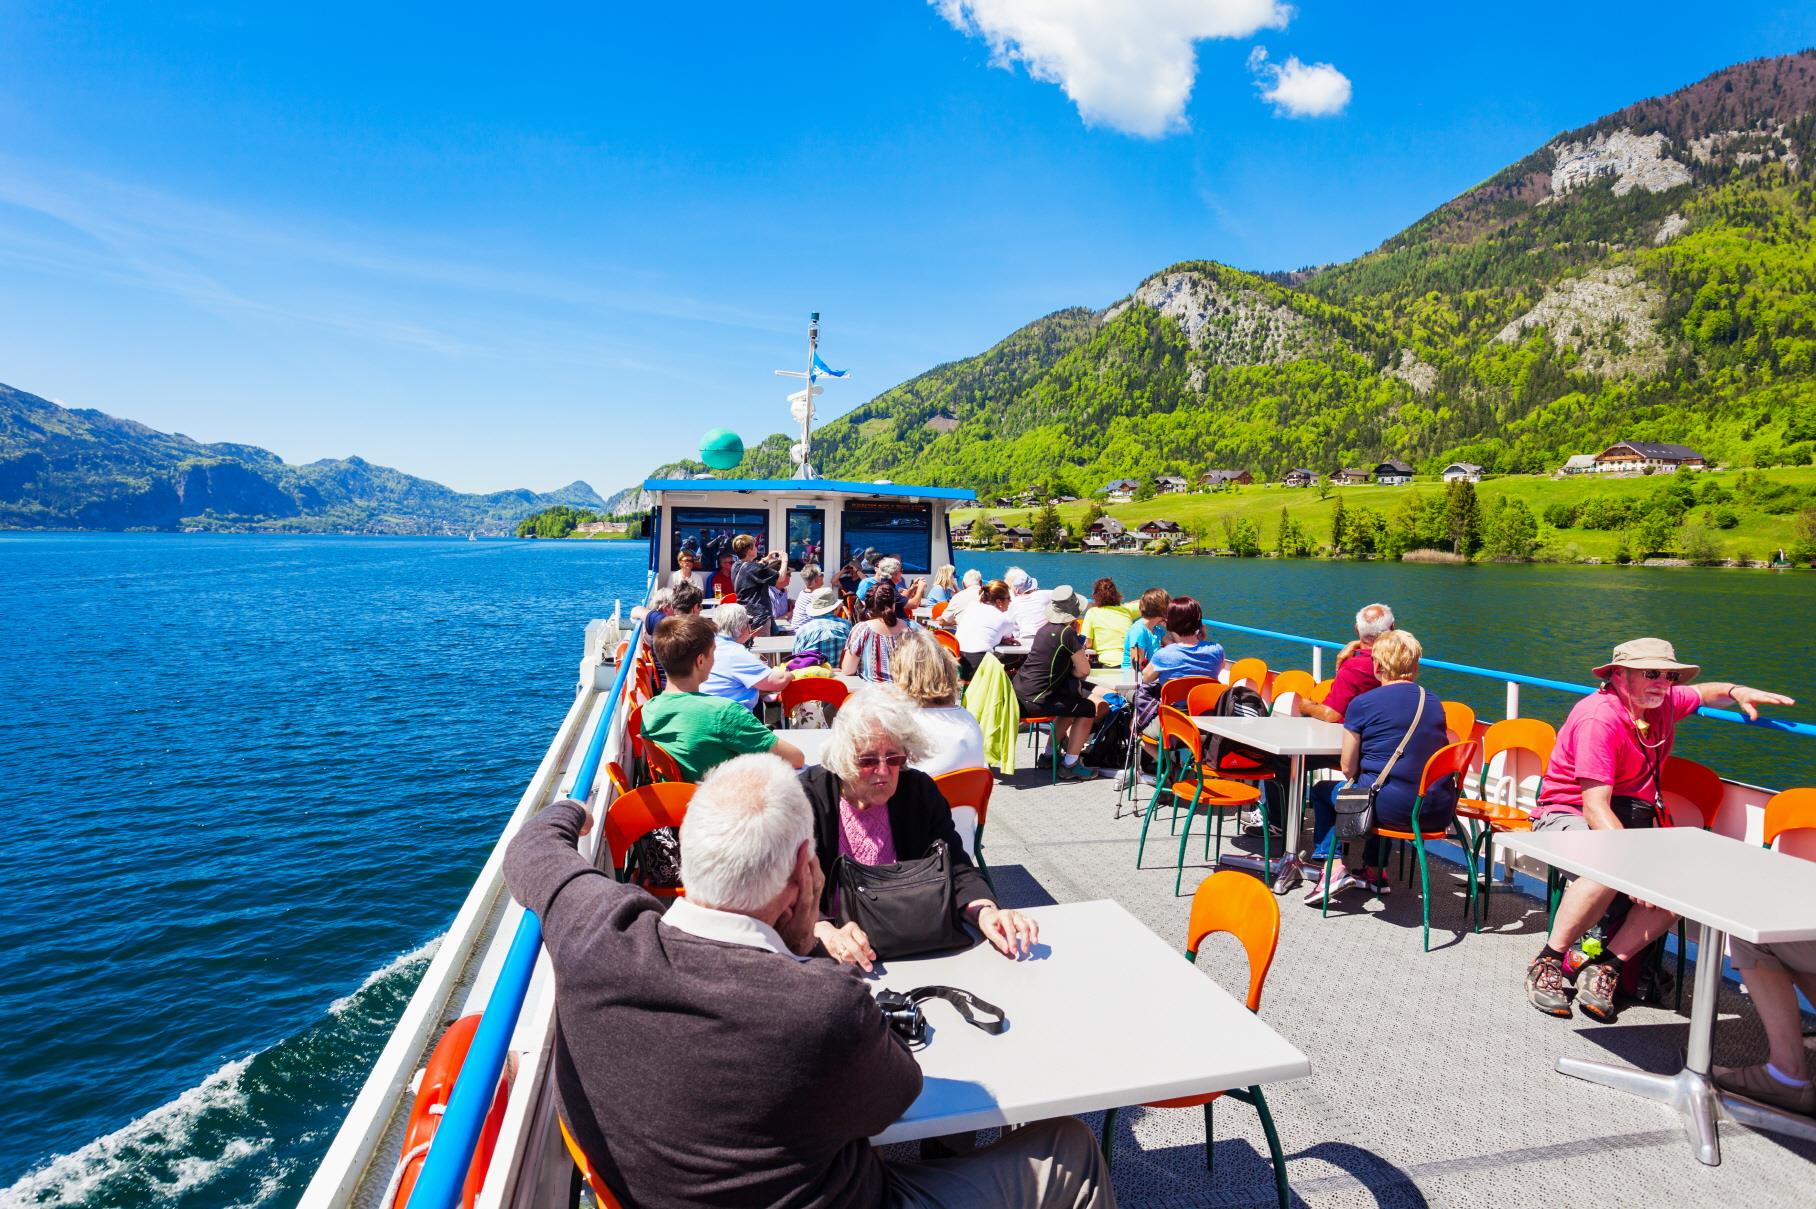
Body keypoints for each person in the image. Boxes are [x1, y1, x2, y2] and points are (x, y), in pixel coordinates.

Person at [505, 755, 1116, 1209]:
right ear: (804, 870)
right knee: (1071, 1148)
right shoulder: (820, 1009)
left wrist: (572, 811)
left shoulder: (590, 928)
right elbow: (898, 1094)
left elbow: (530, 850)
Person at [1523, 638, 1793, 1023]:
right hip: (1565, 813)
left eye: (1668, 675)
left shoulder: (1661, 701)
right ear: (1618, 675)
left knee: (1679, 883)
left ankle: (1607, 967)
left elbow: (1703, 693)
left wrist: (1737, 691)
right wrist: (1635, 872)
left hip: (1629, 817)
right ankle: (1547, 962)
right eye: (1651, 673)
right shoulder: (1599, 718)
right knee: (1606, 870)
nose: (1662, 682)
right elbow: (1594, 807)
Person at [800, 688, 1041, 970]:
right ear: (843, 758)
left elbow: (957, 867)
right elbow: (785, 891)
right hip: (840, 956)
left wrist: (985, 911)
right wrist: (823, 929)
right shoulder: (808, 798)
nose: (882, 770)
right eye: (867, 761)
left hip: (912, 941)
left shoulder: (918, 791)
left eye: (894, 759)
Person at [1304, 630, 1453, 904]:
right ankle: (1375, 871)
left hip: (1389, 809)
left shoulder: (1363, 704)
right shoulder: (1433, 703)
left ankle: (1333, 867)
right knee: (1384, 787)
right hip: (1435, 810)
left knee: (1326, 791)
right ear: (1415, 666)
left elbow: (1348, 767)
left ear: (1378, 666)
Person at [643, 616, 804, 779]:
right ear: (700, 661)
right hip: (722, 800)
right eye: (713, 652)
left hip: (677, 799)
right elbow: (796, 759)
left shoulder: (649, 711)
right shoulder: (724, 713)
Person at [1013, 586, 1108, 781]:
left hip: (1021, 694)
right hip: (1037, 700)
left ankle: (1048, 756)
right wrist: (1072, 670)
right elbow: (1084, 671)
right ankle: (1071, 764)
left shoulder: (1043, 629)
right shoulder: (1067, 634)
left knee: (1069, 705)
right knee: (1088, 708)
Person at [891, 629, 986, 777]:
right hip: (963, 799)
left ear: (901, 673)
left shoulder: (901, 725)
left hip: (921, 798)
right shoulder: (970, 720)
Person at [1301, 603, 1395, 723]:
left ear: (1356, 628)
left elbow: (1331, 715)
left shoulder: (1353, 668)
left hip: (1352, 734)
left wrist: (1305, 707)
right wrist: (1355, 643)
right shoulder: (1402, 659)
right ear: (1392, 627)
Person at [705, 603, 793, 709]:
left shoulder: (707, 644)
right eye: (749, 622)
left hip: (708, 710)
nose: (751, 626)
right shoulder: (734, 652)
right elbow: (777, 682)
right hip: (729, 716)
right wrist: (792, 672)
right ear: (740, 627)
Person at [842, 581, 916, 684]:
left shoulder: (862, 629)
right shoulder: (911, 628)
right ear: (893, 605)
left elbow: (848, 670)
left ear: (867, 604)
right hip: (906, 693)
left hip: (873, 695)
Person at [954, 578, 1017, 678]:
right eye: (1008, 598)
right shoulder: (1004, 619)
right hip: (979, 666)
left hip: (958, 661)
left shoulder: (972, 606)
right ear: (999, 602)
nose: (1010, 601)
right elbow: (1009, 638)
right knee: (1019, 658)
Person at [791, 585, 853, 667]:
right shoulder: (847, 626)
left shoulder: (803, 630)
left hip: (813, 677)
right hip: (843, 676)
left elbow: (796, 659)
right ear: (834, 607)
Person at [1080, 578, 1135, 668]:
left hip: (1107, 663)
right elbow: (1141, 603)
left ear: (1095, 596)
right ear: (1116, 595)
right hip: (1130, 662)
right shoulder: (1127, 610)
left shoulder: (1092, 612)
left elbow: (1087, 643)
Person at [731, 535, 780, 636]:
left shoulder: (736, 565)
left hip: (744, 614)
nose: (757, 548)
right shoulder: (752, 568)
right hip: (759, 617)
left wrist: (766, 559)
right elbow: (780, 578)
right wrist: (785, 560)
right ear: (750, 550)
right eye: (755, 546)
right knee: (763, 650)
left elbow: (753, 568)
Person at [1121, 587, 1169, 672]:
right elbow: (1136, 666)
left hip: (1150, 675)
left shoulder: (1156, 629)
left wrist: (1170, 626)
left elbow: (1175, 647)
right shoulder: (1138, 630)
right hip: (1134, 678)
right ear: (1162, 609)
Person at [1003, 567, 1052, 645]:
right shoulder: (1043, 594)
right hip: (1044, 638)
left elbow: (1009, 624)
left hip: (1024, 637)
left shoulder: (1012, 602)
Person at [790, 563, 826, 627]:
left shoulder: (803, 593)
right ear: (815, 580)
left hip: (797, 630)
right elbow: (828, 618)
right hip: (804, 633)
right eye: (821, 574)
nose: (823, 576)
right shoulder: (815, 597)